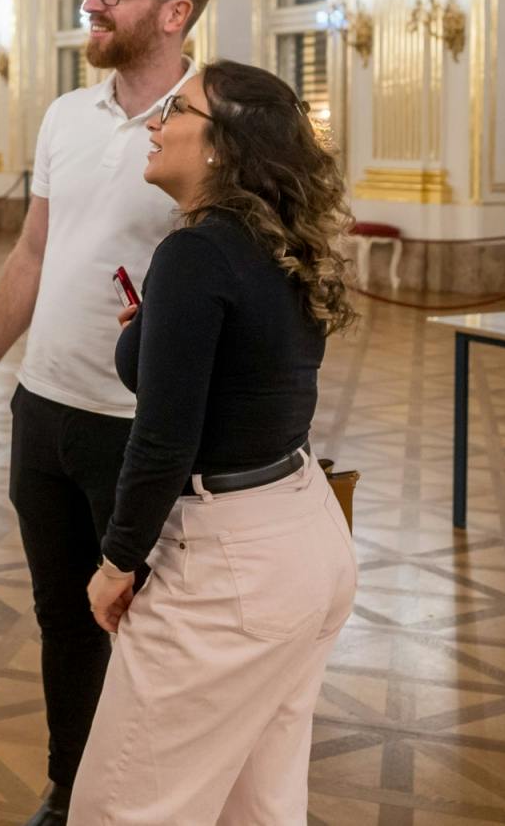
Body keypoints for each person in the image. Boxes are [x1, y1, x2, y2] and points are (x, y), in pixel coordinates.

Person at [0, 0, 215, 826]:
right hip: (43, 412)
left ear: (174, 12)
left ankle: (154, 805)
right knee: (63, 619)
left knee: (152, 631)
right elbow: (32, 253)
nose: (94, 2)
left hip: (137, 429)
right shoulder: (66, 114)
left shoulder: (208, 125)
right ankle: (72, 790)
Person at [69, 62, 359, 826]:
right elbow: (243, 374)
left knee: (120, 809)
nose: (156, 122)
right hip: (306, 536)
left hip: (231, 571)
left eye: (177, 109)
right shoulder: (272, 243)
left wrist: (116, 565)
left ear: (220, 146)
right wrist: (158, 334)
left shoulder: (195, 254)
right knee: (257, 806)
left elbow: (165, 441)